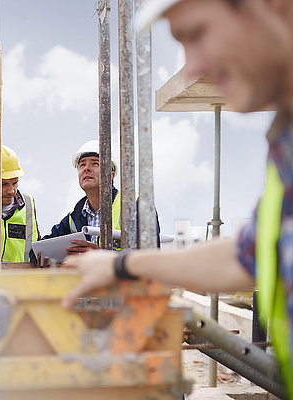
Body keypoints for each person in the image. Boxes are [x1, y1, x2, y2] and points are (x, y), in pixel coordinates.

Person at [61, 0, 293, 396]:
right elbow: (247, 254)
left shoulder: (133, 205)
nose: (192, 67)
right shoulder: (284, 145)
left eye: (198, 33)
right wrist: (120, 266)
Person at [43, 139, 159, 254]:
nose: (86, 169)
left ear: (111, 175)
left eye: (95, 164)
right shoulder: (73, 219)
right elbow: (41, 250)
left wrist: (102, 256)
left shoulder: (136, 205)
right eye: (82, 165)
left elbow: (150, 254)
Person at [1, 145, 40, 263]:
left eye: (15, 183)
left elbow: (37, 246)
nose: (11, 191)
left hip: (21, 279)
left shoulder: (28, 204)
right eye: (4, 184)